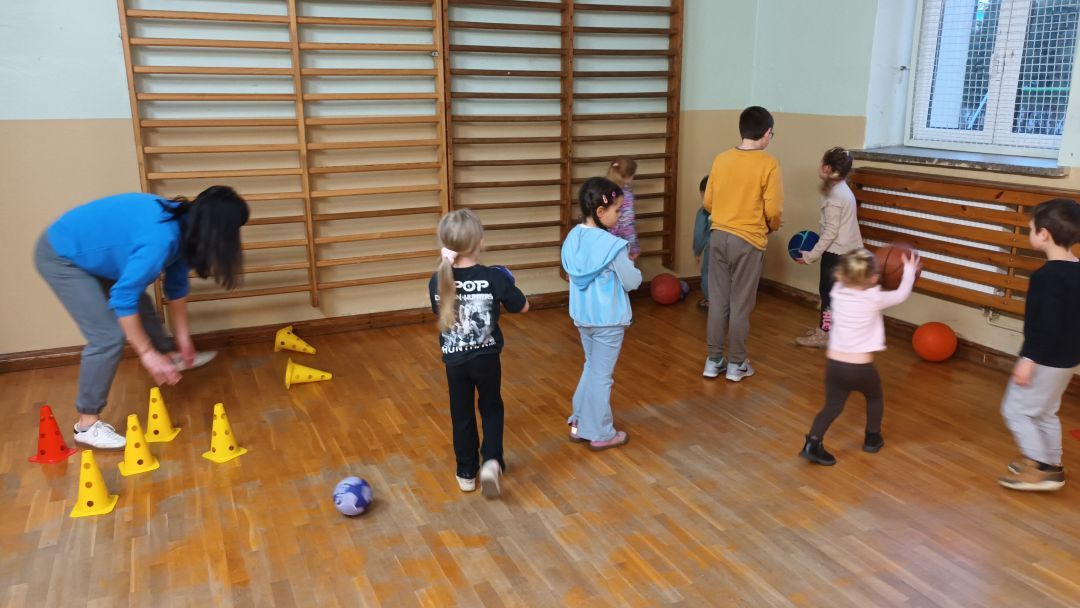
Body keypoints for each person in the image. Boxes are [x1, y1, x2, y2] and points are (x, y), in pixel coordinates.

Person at [35, 187, 248, 449]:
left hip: (90, 253)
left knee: (141, 306)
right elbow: (123, 298)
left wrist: (183, 339)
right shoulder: (161, 238)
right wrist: (146, 352)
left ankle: (169, 357)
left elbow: (176, 286)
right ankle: (87, 425)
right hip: (62, 255)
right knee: (107, 336)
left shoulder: (186, 225)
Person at [429, 209, 529, 498]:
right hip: (486, 359)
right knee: (491, 408)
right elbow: (522, 306)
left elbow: (438, 311)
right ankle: (491, 463)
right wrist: (508, 282)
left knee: (461, 414)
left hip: (455, 362)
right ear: (480, 242)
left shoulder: (437, 279)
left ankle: (465, 473)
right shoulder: (493, 277)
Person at [799, 248, 920, 466]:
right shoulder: (874, 298)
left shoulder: (836, 292)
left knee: (832, 406)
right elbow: (901, 294)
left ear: (841, 275)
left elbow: (845, 277)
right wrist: (909, 271)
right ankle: (872, 438)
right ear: (873, 278)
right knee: (874, 397)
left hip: (835, 366)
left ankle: (812, 444)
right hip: (861, 368)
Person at [997, 198, 1080, 491]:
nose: (1029, 233)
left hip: (1043, 359)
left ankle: (1038, 467)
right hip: (1067, 359)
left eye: (1030, 229)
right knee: (1045, 411)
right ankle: (1051, 465)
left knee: (1015, 411)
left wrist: (1028, 359)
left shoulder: (1046, 278)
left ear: (1043, 234)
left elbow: (1044, 325)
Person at [702, 106, 784, 381]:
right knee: (740, 304)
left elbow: (708, 202)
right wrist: (771, 226)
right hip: (747, 240)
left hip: (718, 235)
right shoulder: (769, 163)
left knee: (718, 301)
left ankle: (714, 360)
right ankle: (736, 364)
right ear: (767, 133)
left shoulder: (721, 159)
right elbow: (773, 209)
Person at [561, 177, 642, 451]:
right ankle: (601, 432)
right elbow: (631, 281)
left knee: (591, 367)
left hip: (583, 317)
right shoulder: (613, 246)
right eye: (617, 210)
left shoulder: (572, 238)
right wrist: (634, 271)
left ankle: (579, 421)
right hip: (608, 320)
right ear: (600, 211)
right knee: (601, 375)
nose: (619, 215)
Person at [795, 147, 863, 348]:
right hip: (844, 250)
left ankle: (824, 334)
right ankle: (828, 329)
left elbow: (831, 232)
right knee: (833, 293)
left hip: (837, 253)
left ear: (827, 168)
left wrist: (811, 255)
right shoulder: (839, 190)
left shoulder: (835, 197)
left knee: (828, 294)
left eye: (821, 162)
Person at [605, 156, 640, 260]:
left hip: (602, 242)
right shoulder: (625, 194)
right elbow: (626, 222)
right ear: (628, 176)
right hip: (619, 244)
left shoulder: (600, 188)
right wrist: (633, 247)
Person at [692, 175, 711, 309]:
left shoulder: (704, 211)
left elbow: (699, 234)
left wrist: (697, 251)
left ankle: (709, 299)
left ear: (703, 192)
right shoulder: (729, 209)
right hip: (733, 246)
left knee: (708, 273)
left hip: (713, 248)